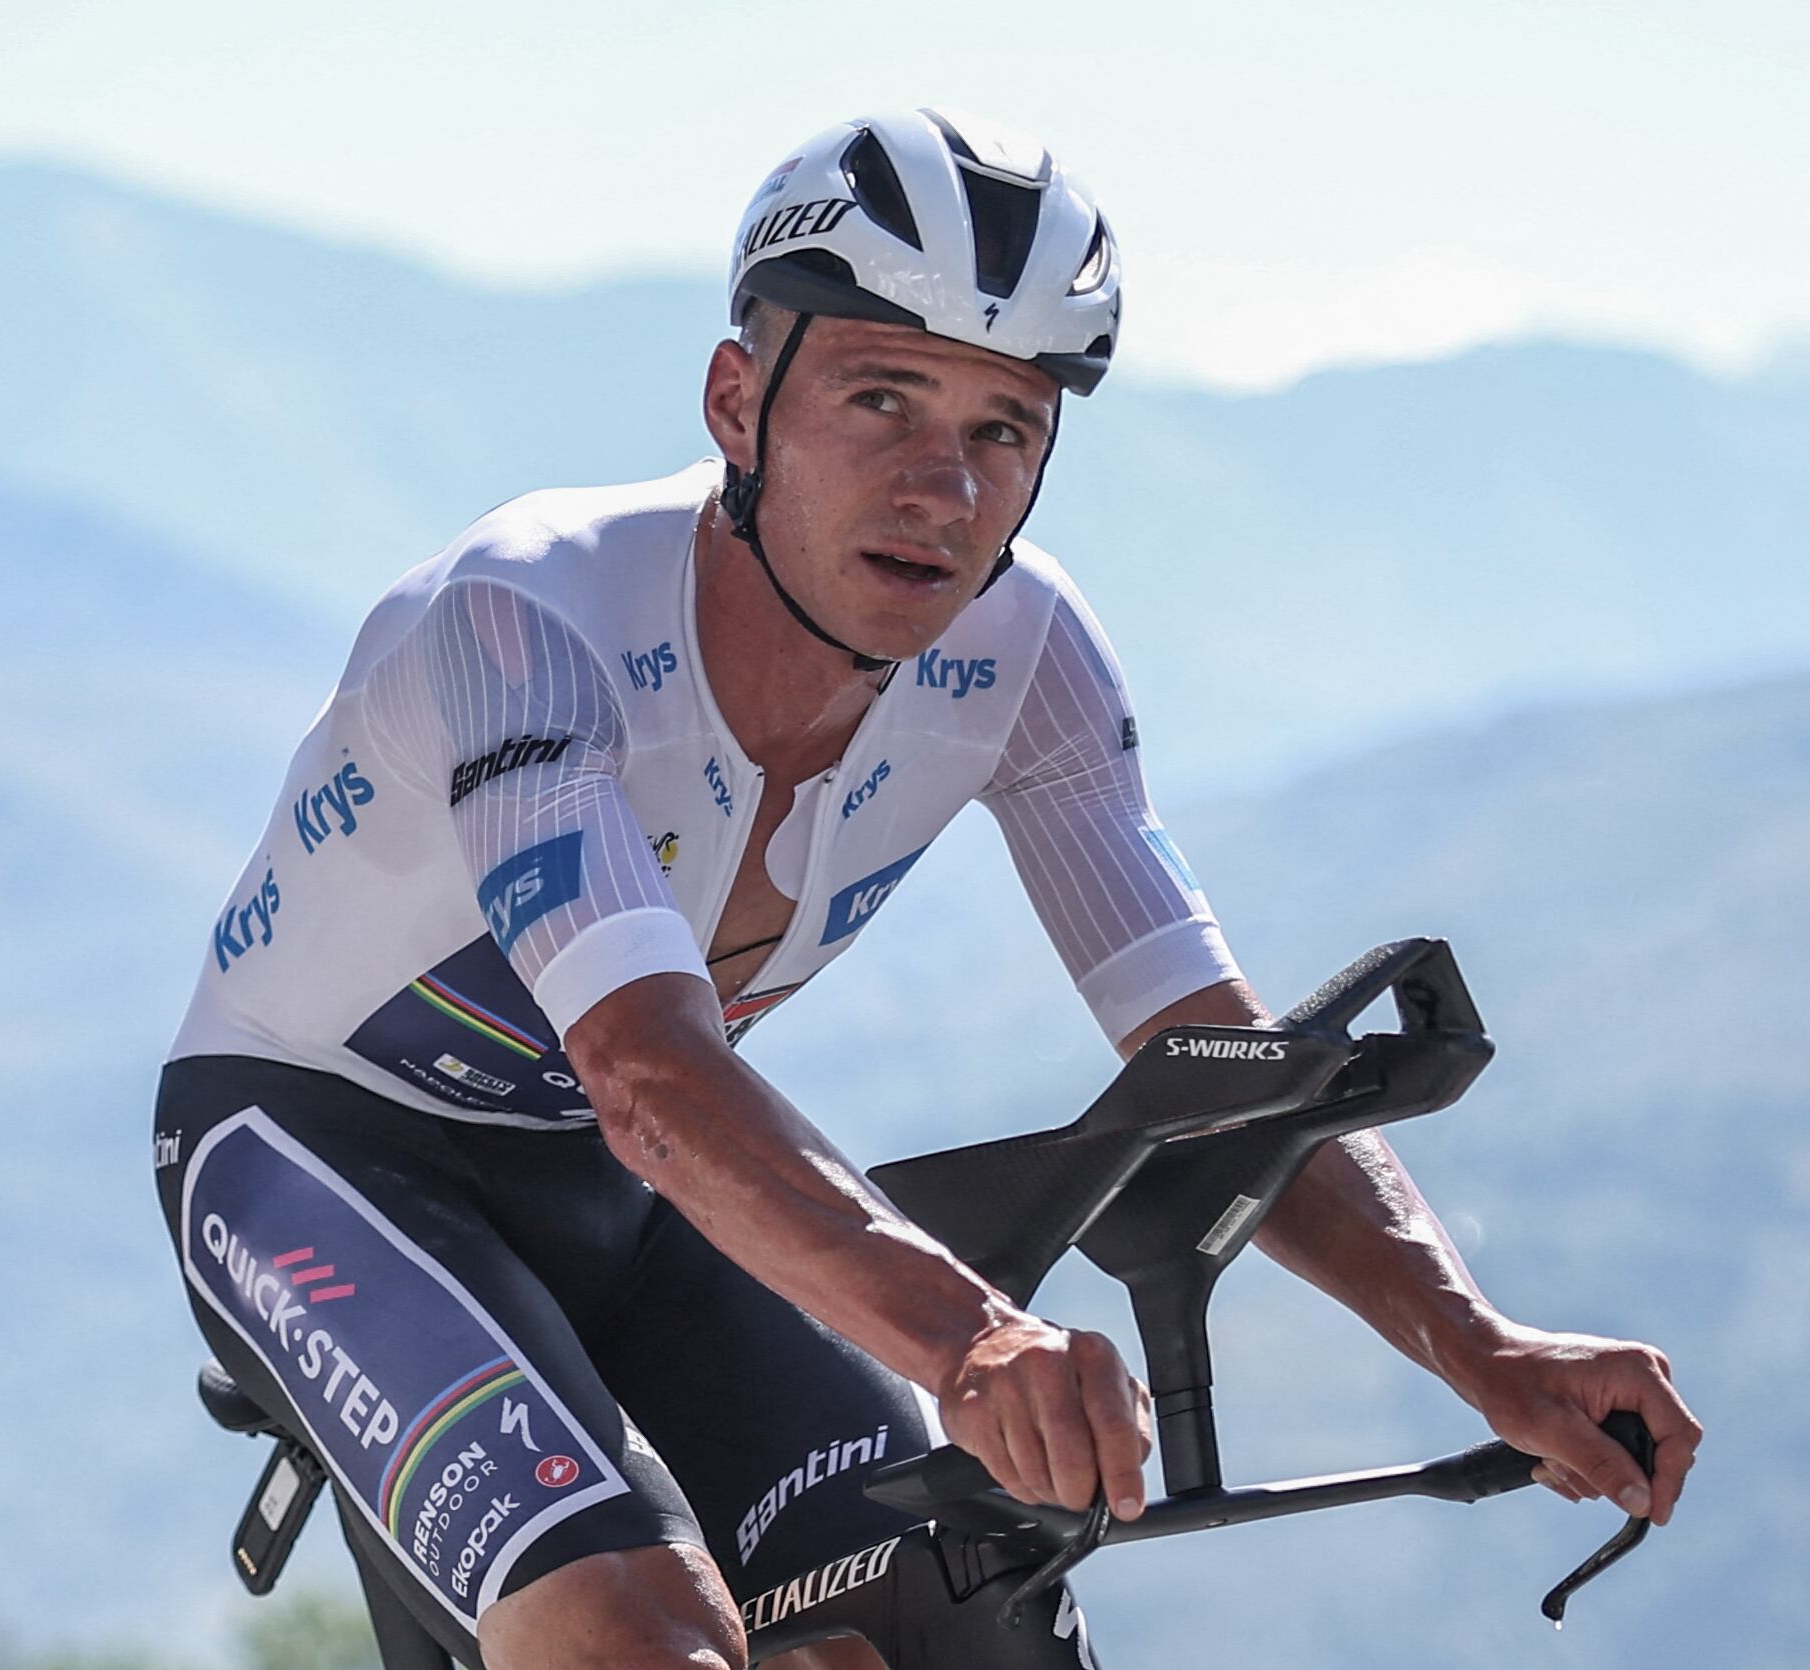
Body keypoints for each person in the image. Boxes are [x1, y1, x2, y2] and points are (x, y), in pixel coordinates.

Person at [154, 108, 1701, 1670]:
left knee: (948, 1620)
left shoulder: (1024, 652)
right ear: (736, 402)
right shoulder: (525, 616)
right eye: (879, 401)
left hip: (618, 1187)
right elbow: (643, 1072)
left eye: (1001, 429)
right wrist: (968, 1341)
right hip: (312, 1150)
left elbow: (1206, 1053)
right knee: (642, 1641)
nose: (940, 489)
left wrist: (1481, 1345)